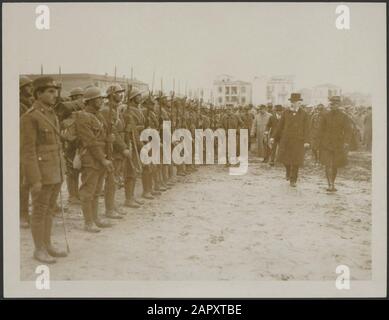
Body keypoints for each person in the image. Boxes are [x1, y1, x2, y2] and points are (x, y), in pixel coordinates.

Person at [20, 76, 68, 263]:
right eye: (49, 91)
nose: (54, 95)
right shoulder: (30, 117)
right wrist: (35, 180)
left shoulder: (51, 114)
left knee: (49, 210)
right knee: (39, 211)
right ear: (38, 94)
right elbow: (28, 152)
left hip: (55, 171)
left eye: (55, 91)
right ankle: (38, 249)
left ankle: (47, 244)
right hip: (42, 173)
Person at [75, 86, 116, 232]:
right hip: (91, 158)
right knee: (88, 191)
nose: (101, 101)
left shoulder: (99, 116)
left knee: (97, 190)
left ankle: (95, 218)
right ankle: (88, 222)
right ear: (90, 101)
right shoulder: (82, 116)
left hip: (101, 156)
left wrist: (109, 138)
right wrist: (103, 159)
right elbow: (90, 141)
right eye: (98, 99)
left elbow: (102, 137)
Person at [100, 84, 133, 219]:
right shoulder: (107, 111)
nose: (121, 95)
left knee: (115, 179)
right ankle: (109, 209)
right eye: (118, 93)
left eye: (121, 93)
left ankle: (112, 206)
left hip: (117, 147)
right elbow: (113, 132)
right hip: (112, 148)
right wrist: (123, 147)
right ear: (111, 95)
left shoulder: (116, 110)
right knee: (111, 180)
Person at [272, 93, 310, 187]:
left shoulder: (304, 114)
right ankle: (288, 171)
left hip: (298, 140)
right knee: (286, 159)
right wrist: (273, 137)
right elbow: (280, 126)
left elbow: (307, 128)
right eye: (292, 102)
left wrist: (306, 141)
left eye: (296, 102)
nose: (294, 104)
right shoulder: (286, 113)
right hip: (286, 140)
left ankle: (293, 180)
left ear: (300, 103)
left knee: (296, 160)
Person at [318, 96, 352, 192]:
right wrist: (318, 142)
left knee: (335, 165)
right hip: (326, 144)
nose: (333, 106)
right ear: (330, 105)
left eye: (336, 104)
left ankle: (333, 182)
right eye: (332, 104)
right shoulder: (325, 116)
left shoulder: (344, 116)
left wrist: (346, 141)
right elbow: (320, 130)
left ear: (339, 105)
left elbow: (348, 130)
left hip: (338, 144)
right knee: (328, 164)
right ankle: (330, 185)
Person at [19, 76, 34, 228]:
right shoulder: (18, 105)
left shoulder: (29, 104)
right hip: (22, 148)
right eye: (27, 86)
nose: (30, 88)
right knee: (23, 183)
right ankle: (22, 214)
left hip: (31, 148)